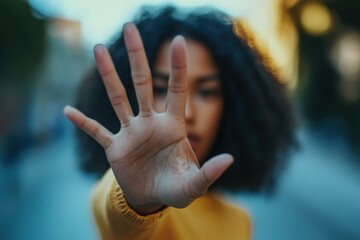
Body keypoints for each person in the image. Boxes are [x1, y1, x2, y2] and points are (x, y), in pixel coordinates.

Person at [64, 6, 296, 239]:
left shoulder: (239, 220)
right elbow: (118, 217)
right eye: (161, 88)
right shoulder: (129, 197)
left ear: (234, 106)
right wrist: (136, 202)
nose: (186, 112)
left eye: (207, 91)